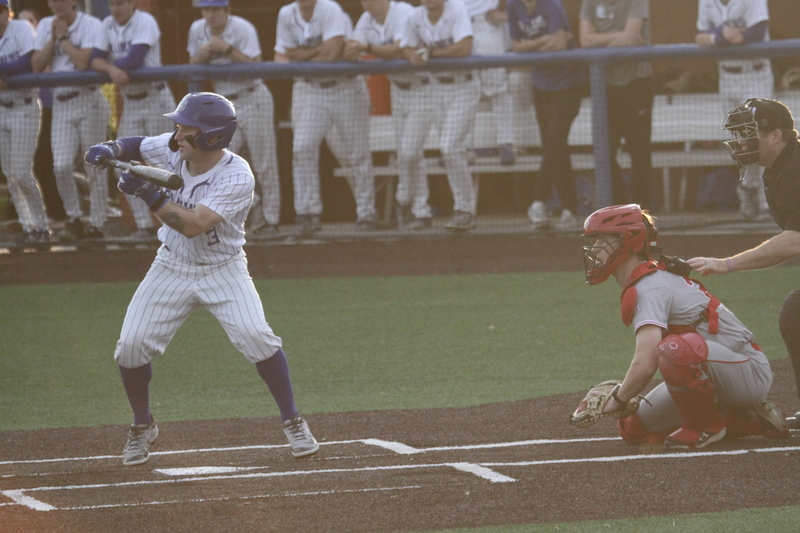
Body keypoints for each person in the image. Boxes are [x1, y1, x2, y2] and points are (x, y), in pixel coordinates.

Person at [83, 92, 319, 465]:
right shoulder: (175, 147)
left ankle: (292, 419)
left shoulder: (237, 176)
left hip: (222, 269)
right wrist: (109, 147)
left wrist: (146, 193)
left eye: (185, 130)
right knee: (129, 347)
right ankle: (143, 426)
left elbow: (193, 226)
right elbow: (137, 145)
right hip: (171, 265)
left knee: (257, 337)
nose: (176, 136)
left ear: (210, 137)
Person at [582, 203, 788, 449]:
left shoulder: (649, 286)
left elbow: (646, 361)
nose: (595, 249)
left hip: (747, 370)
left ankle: (705, 427)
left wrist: (617, 397)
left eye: (602, 240)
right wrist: (622, 399)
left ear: (626, 241)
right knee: (632, 428)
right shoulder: (647, 279)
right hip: (716, 368)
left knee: (674, 349)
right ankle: (746, 419)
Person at [688, 98, 800, 430]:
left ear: (775, 136)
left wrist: (728, 263)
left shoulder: (794, 169)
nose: (739, 142)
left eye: (748, 133)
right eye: (738, 134)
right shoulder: (781, 167)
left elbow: (794, 240)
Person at [275, 0, 377, 237]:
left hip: (345, 86)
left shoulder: (329, 9)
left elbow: (331, 54)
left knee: (357, 153)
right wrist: (314, 53)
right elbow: (280, 59)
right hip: (311, 89)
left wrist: (299, 56)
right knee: (302, 148)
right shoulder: (286, 14)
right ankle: (307, 213)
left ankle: (366, 213)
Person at [188, 0, 282, 239]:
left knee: (264, 164)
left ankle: (272, 221)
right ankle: (256, 205)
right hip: (224, 106)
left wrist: (227, 49)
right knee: (218, 165)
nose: (210, 15)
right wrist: (201, 55)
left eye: (215, 10)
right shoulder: (197, 29)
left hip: (253, 97)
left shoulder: (242, 28)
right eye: (205, 10)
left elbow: (258, 67)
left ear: (226, 10)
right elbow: (191, 67)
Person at [344, 0, 433, 230]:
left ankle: (404, 201)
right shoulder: (366, 19)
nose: (368, 3)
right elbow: (353, 49)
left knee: (409, 151)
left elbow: (401, 48)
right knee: (411, 155)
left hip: (422, 86)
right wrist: (354, 51)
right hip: (398, 89)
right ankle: (421, 211)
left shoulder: (403, 11)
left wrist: (368, 49)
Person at [90, 0, 175, 241]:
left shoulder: (145, 20)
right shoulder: (107, 24)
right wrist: (110, 68)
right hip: (132, 103)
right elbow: (93, 59)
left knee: (162, 165)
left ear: (131, 4)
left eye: (120, 3)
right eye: (111, 4)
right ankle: (144, 227)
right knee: (122, 165)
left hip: (156, 98)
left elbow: (134, 60)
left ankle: (173, 223)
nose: (115, 8)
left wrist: (107, 66)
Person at [399, 0, 481, 232]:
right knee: (414, 149)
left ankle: (464, 210)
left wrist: (431, 53)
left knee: (449, 147)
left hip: (464, 86)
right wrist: (412, 54)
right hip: (435, 88)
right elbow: (405, 46)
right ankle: (417, 207)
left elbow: (464, 46)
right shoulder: (415, 16)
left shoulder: (457, 9)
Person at [31, 0, 109, 242]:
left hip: (88, 98)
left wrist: (64, 38)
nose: (58, 3)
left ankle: (97, 224)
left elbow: (83, 62)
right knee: (61, 166)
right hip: (61, 102)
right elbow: (35, 65)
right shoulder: (45, 24)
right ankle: (74, 219)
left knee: (94, 165)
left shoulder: (91, 24)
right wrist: (52, 38)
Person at [507, 0, 586, 232]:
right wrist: (543, 42)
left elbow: (560, 44)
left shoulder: (551, 5)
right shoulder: (513, 6)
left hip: (568, 84)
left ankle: (537, 202)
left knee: (553, 145)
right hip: (541, 85)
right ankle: (570, 208)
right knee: (556, 148)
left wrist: (530, 45)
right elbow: (515, 46)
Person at [696, 0, 773, 221]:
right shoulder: (706, 2)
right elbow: (701, 35)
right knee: (742, 139)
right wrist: (728, 34)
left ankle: (763, 197)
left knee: (761, 136)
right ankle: (749, 189)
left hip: (755, 73)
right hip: (727, 76)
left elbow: (756, 32)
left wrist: (717, 38)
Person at [578, 0, 655, 210]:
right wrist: (617, 40)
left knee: (639, 153)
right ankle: (621, 210)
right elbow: (584, 40)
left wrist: (600, 43)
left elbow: (631, 37)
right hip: (605, 88)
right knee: (605, 153)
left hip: (637, 83)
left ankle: (644, 213)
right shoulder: (589, 3)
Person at [0, 0, 52, 245]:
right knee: (11, 175)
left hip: (25, 106)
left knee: (21, 172)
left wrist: (4, 72)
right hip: (2, 109)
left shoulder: (20, 27)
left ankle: (41, 225)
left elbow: (27, 63)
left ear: (7, 12)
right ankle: (28, 227)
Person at [461, 0, 515, 166]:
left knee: (498, 89)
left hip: (487, 24)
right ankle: (463, 148)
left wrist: (507, 16)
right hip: (460, 27)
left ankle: (506, 144)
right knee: (465, 91)